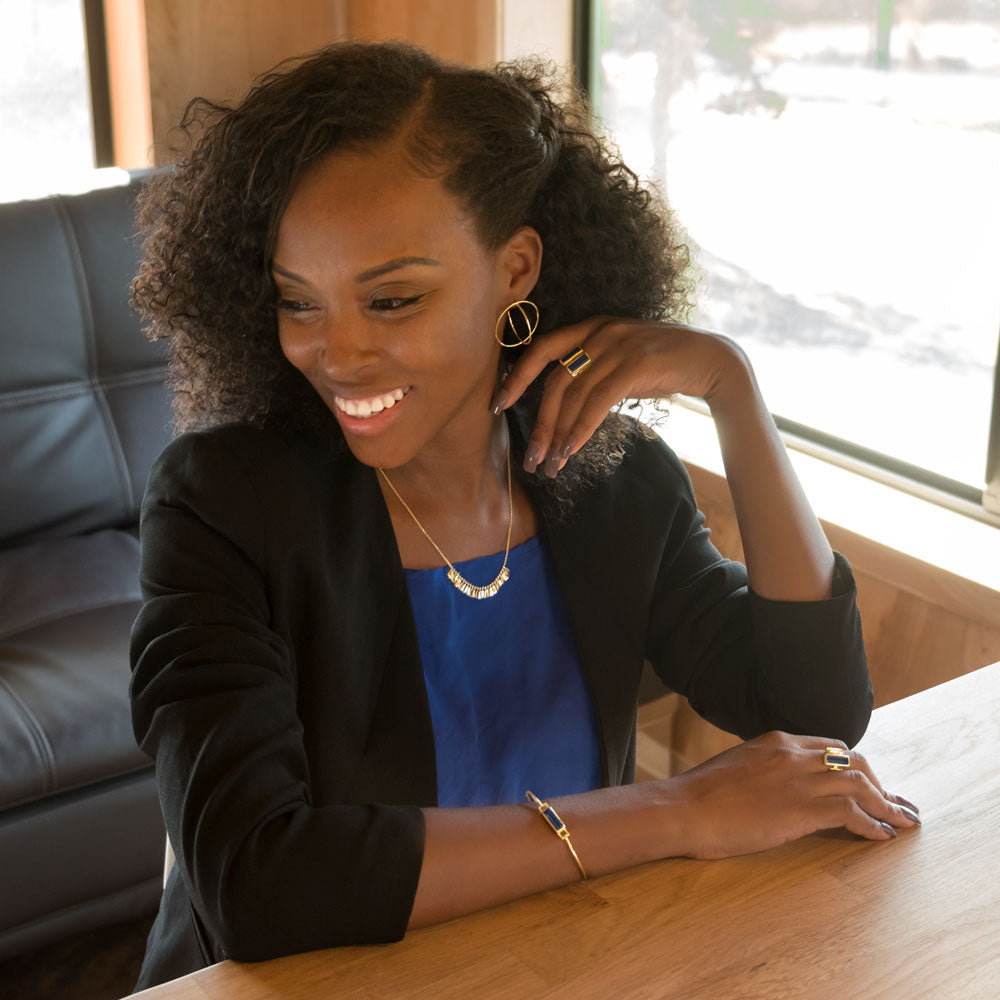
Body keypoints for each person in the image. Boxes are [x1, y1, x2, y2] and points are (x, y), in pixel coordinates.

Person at [128, 39, 919, 991]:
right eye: (300, 303)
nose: (336, 355)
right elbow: (258, 884)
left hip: (560, 964)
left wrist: (733, 390)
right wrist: (677, 812)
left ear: (515, 269)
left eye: (391, 299)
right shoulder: (222, 507)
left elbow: (813, 710)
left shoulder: (612, 483)